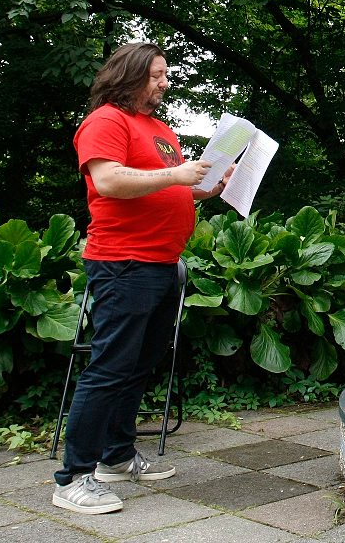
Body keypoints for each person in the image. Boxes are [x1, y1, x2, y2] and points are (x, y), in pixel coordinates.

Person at [52, 43, 232, 515]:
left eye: (166, 75)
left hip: (160, 263)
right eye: (156, 75)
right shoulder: (106, 121)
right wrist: (176, 175)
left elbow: (165, 187)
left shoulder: (159, 130)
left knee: (138, 365)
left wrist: (206, 189)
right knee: (110, 367)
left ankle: (115, 456)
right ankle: (73, 477)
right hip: (123, 263)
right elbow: (109, 181)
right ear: (131, 75)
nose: (165, 82)